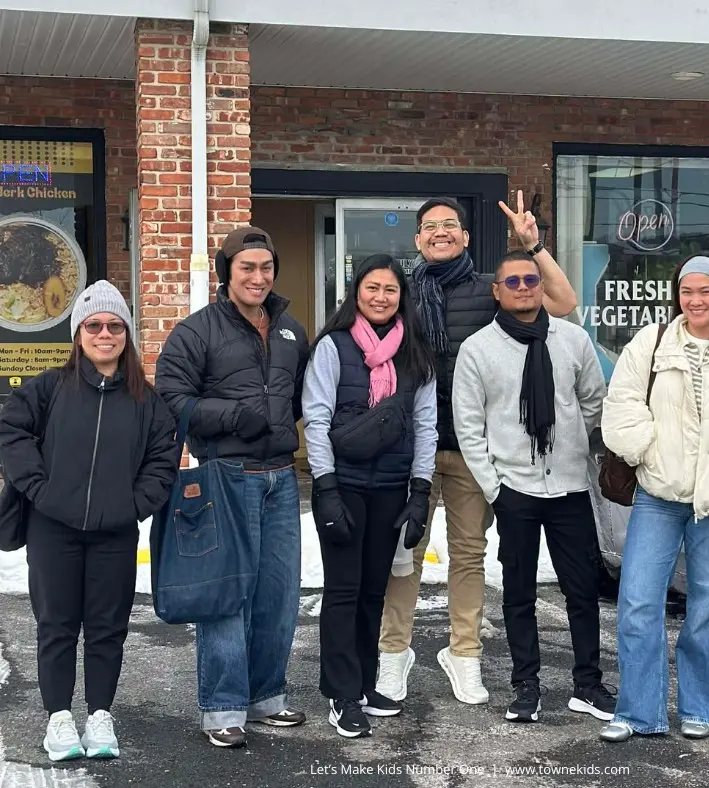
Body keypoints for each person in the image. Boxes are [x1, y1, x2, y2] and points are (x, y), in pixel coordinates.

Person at [377, 193, 578, 705]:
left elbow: (563, 304)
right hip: (411, 450)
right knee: (405, 555)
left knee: (468, 556)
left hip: (471, 450)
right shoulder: (400, 293)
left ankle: (463, 655)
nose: (440, 232)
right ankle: (392, 653)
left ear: (465, 237)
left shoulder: (490, 288)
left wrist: (533, 248)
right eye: (430, 226)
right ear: (418, 239)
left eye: (450, 225)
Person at [599, 254, 709, 743]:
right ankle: (639, 712)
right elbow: (622, 403)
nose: (695, 300)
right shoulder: (651, 343)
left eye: (705, 291)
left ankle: (701, 706)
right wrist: (645, 450)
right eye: (686, 291)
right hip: (660, 493)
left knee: (708, 605)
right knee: (638, 600)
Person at [0, 280, 177, 762]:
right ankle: (58, 717)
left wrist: (134, 504)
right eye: (94, 325)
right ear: (79, 333)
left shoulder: (148, 402)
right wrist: (38, 488)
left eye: (115, 325)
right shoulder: (49, 387)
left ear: (127, 334)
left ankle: (100, 715)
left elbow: (163, 462)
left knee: (107, 627)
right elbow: (10, 429)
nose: (105, 333)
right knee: (56, 625)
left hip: (115, 533)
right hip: (52, 529)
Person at [155, 226, 310, 749]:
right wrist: (231, 417)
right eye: (247, 268)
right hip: (226, 477)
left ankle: (267, 696)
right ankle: (223, 706)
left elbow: (301, 398)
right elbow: (171, 398)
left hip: (282, 479)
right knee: (228, 594)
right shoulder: (196, 332)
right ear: (227, 274)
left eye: (266, 268)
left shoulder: (291, 331)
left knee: (279, 593)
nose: (258, 277)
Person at [451, 250, 612, 723]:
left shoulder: (574, 340)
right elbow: (469, 425)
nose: (523, 287)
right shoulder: (478, 349)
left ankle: (588, 684)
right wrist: (495, 487)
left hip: (568, 488)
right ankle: (526, 686)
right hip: (514, 490)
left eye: (531, 279)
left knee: (582, 591)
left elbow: (591, 401)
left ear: (541, 286)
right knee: (518, 594)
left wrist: (569, 447)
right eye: (513, 281)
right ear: (496, 291)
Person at [302, 254, 437, 738]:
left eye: (391, 290)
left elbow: (426, 426)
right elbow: (316, 419)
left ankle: (361, 682)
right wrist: (325, 486)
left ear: (403, 297)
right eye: (372, 288)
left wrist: (420, 492)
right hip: (343, 486)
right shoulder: (333, 347)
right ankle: (341, 693)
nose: (381, 297)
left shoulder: (415, 354)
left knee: (373, 591)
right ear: (356, 292)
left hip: (391, 489)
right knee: (343, 591)